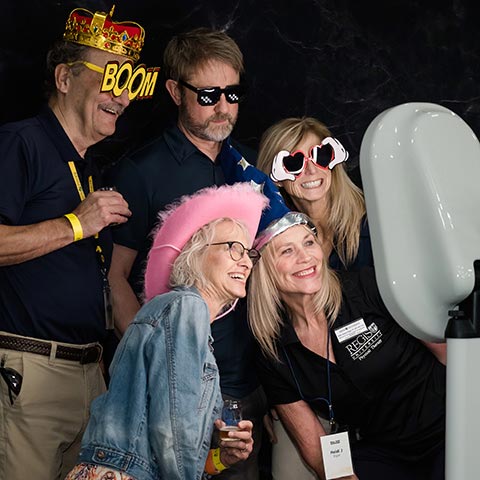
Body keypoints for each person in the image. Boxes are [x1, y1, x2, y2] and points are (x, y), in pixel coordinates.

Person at [106, 27, 267, 479]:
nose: (223, 107)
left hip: (247, 383)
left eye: (232, 94)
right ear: (176, 91)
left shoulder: (249, 167)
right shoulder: (141, 172)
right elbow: (116, 276)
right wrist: (152, 357)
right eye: (209, 94)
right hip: (174, 391)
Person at [0, 6, 145, 479]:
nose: (121, 94)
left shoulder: (88, 168)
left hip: (89, 375)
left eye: (129, 82)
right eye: (111, 77)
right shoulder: (20, 143)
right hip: (31, 376)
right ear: (64, 78)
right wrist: (76, 224)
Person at [65, 182, 267, 480]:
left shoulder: (179, 315)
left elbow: (168, 442)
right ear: (195, 252)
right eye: (233, 248)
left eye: (249, 253)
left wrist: (221, 459)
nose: (245, 261)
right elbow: (174, 429)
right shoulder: (187, 307)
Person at [247, 211, 446, 480]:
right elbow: (317, 451)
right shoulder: (272, 351)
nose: (306, 257)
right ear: (264, 269)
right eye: (287, 251)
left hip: (447, 430)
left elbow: (450, 356)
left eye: (309, 243)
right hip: (384, 451)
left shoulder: (367, 288)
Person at [257, 116, 372, 272]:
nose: (311, 170)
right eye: (294, 163)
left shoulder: (372, 225)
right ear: (276, 177)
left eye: (321, 156)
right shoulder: (273, 242)